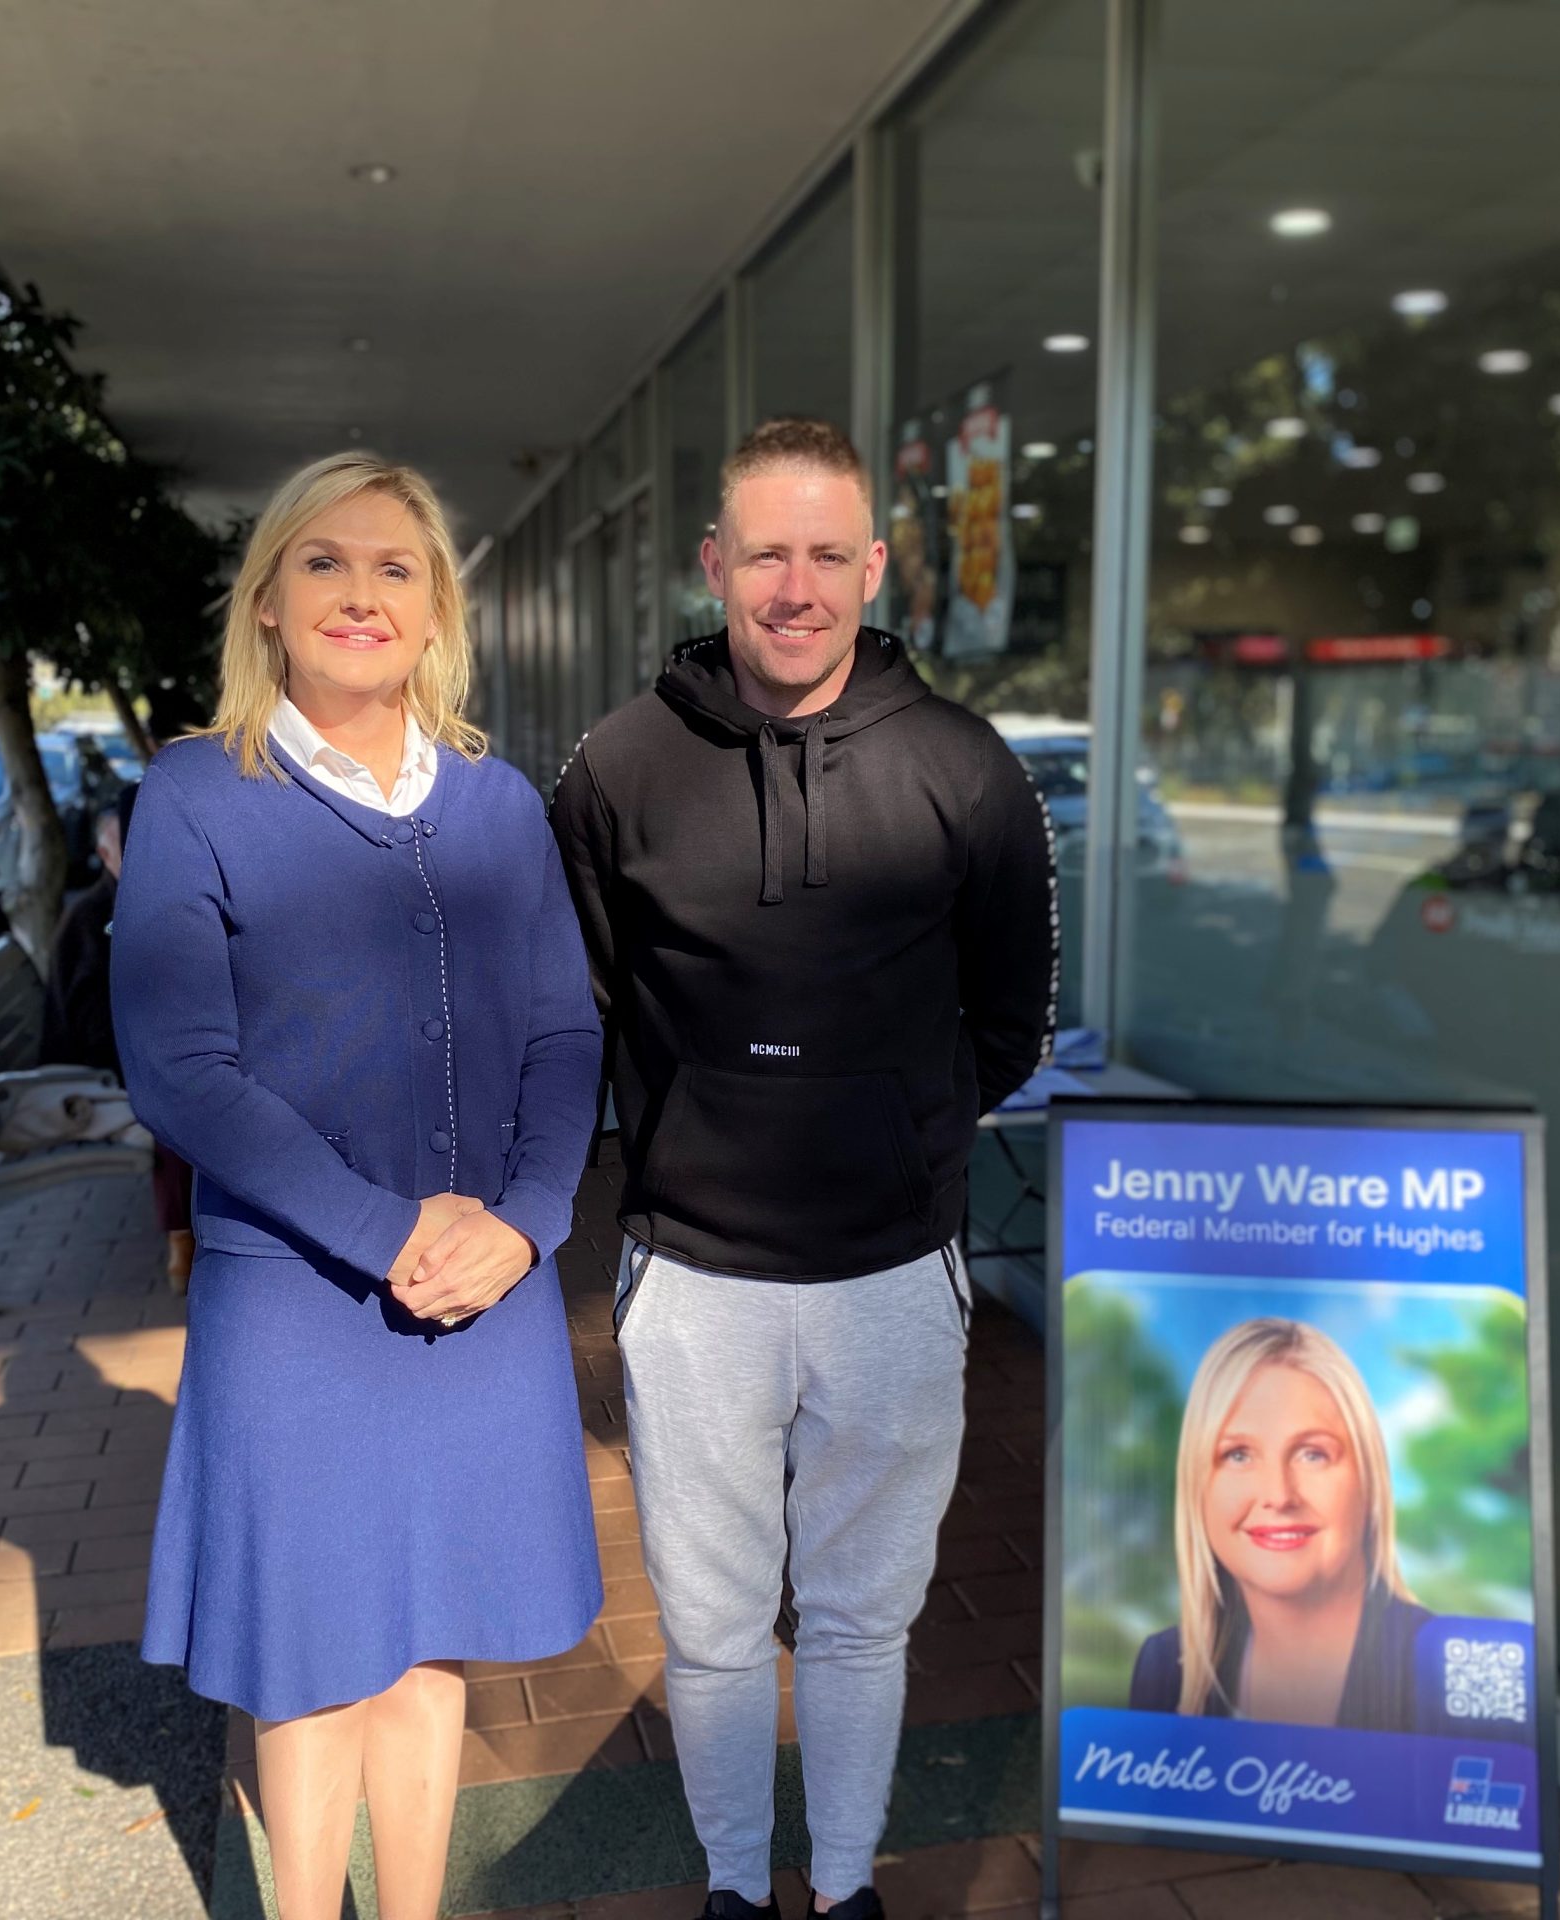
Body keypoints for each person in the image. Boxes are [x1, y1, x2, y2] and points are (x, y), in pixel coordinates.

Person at [550, 418, 1058, 1920]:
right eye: (763, 551)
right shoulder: (619, 766)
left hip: (894, 1269)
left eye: (826, 553)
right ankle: (728, 1886)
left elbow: (1011, 1022)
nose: (794, 585)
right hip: (693, 1271)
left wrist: (892, 1126)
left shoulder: (966, 772)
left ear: (874, 566)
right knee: (708, 1627)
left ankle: (840, 1891)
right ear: (713, 564)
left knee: (858, 1618)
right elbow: (576, 1003)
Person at [109, 452, 604, 1920]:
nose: (361, 593)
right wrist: (393, 1233)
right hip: (303, 1304)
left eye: (396, 567)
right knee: (309, 1663)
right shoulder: (199, 792)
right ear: (266, 602)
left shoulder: (502, 803)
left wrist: (525, 1224)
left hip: (483, 1296)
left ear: (438, 607)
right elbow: (183, 1072)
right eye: (324, 562)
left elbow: (569, 1033)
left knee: (430, 1648)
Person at [1129, 1318, 1429, 1731]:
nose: (1279, 1495)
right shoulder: (1164, 1670)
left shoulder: (1442, 1672)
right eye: (1237, 1455)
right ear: (1197, 1484)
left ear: (1369, 1480)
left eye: (1312, 1454)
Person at [38, 786, 198, 1289]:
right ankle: (182, 1235)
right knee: (181, 1101)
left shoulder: (137, 906)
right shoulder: (93, 917)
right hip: (88, 1075)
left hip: (117, 1058)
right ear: (108, 854)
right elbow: (89, 1029)